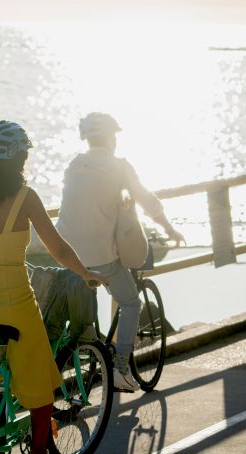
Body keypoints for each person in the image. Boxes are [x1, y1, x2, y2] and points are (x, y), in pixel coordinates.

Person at [0, 120, 108, 454]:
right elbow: (56, 247)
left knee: (6, 359)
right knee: (42, 385)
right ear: (20, 159)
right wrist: (85, 272)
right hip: (12, 303)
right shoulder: (26, 198)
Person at [56, 112, 185, 392]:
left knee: (81, 315)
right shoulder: (119, 166)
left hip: (64, 252)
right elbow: (147, 201)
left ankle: (82, 358)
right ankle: (121, 369)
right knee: (130, 303)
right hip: (101, 256)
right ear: (111, 137)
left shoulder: (74, 164)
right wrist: (170, 229)